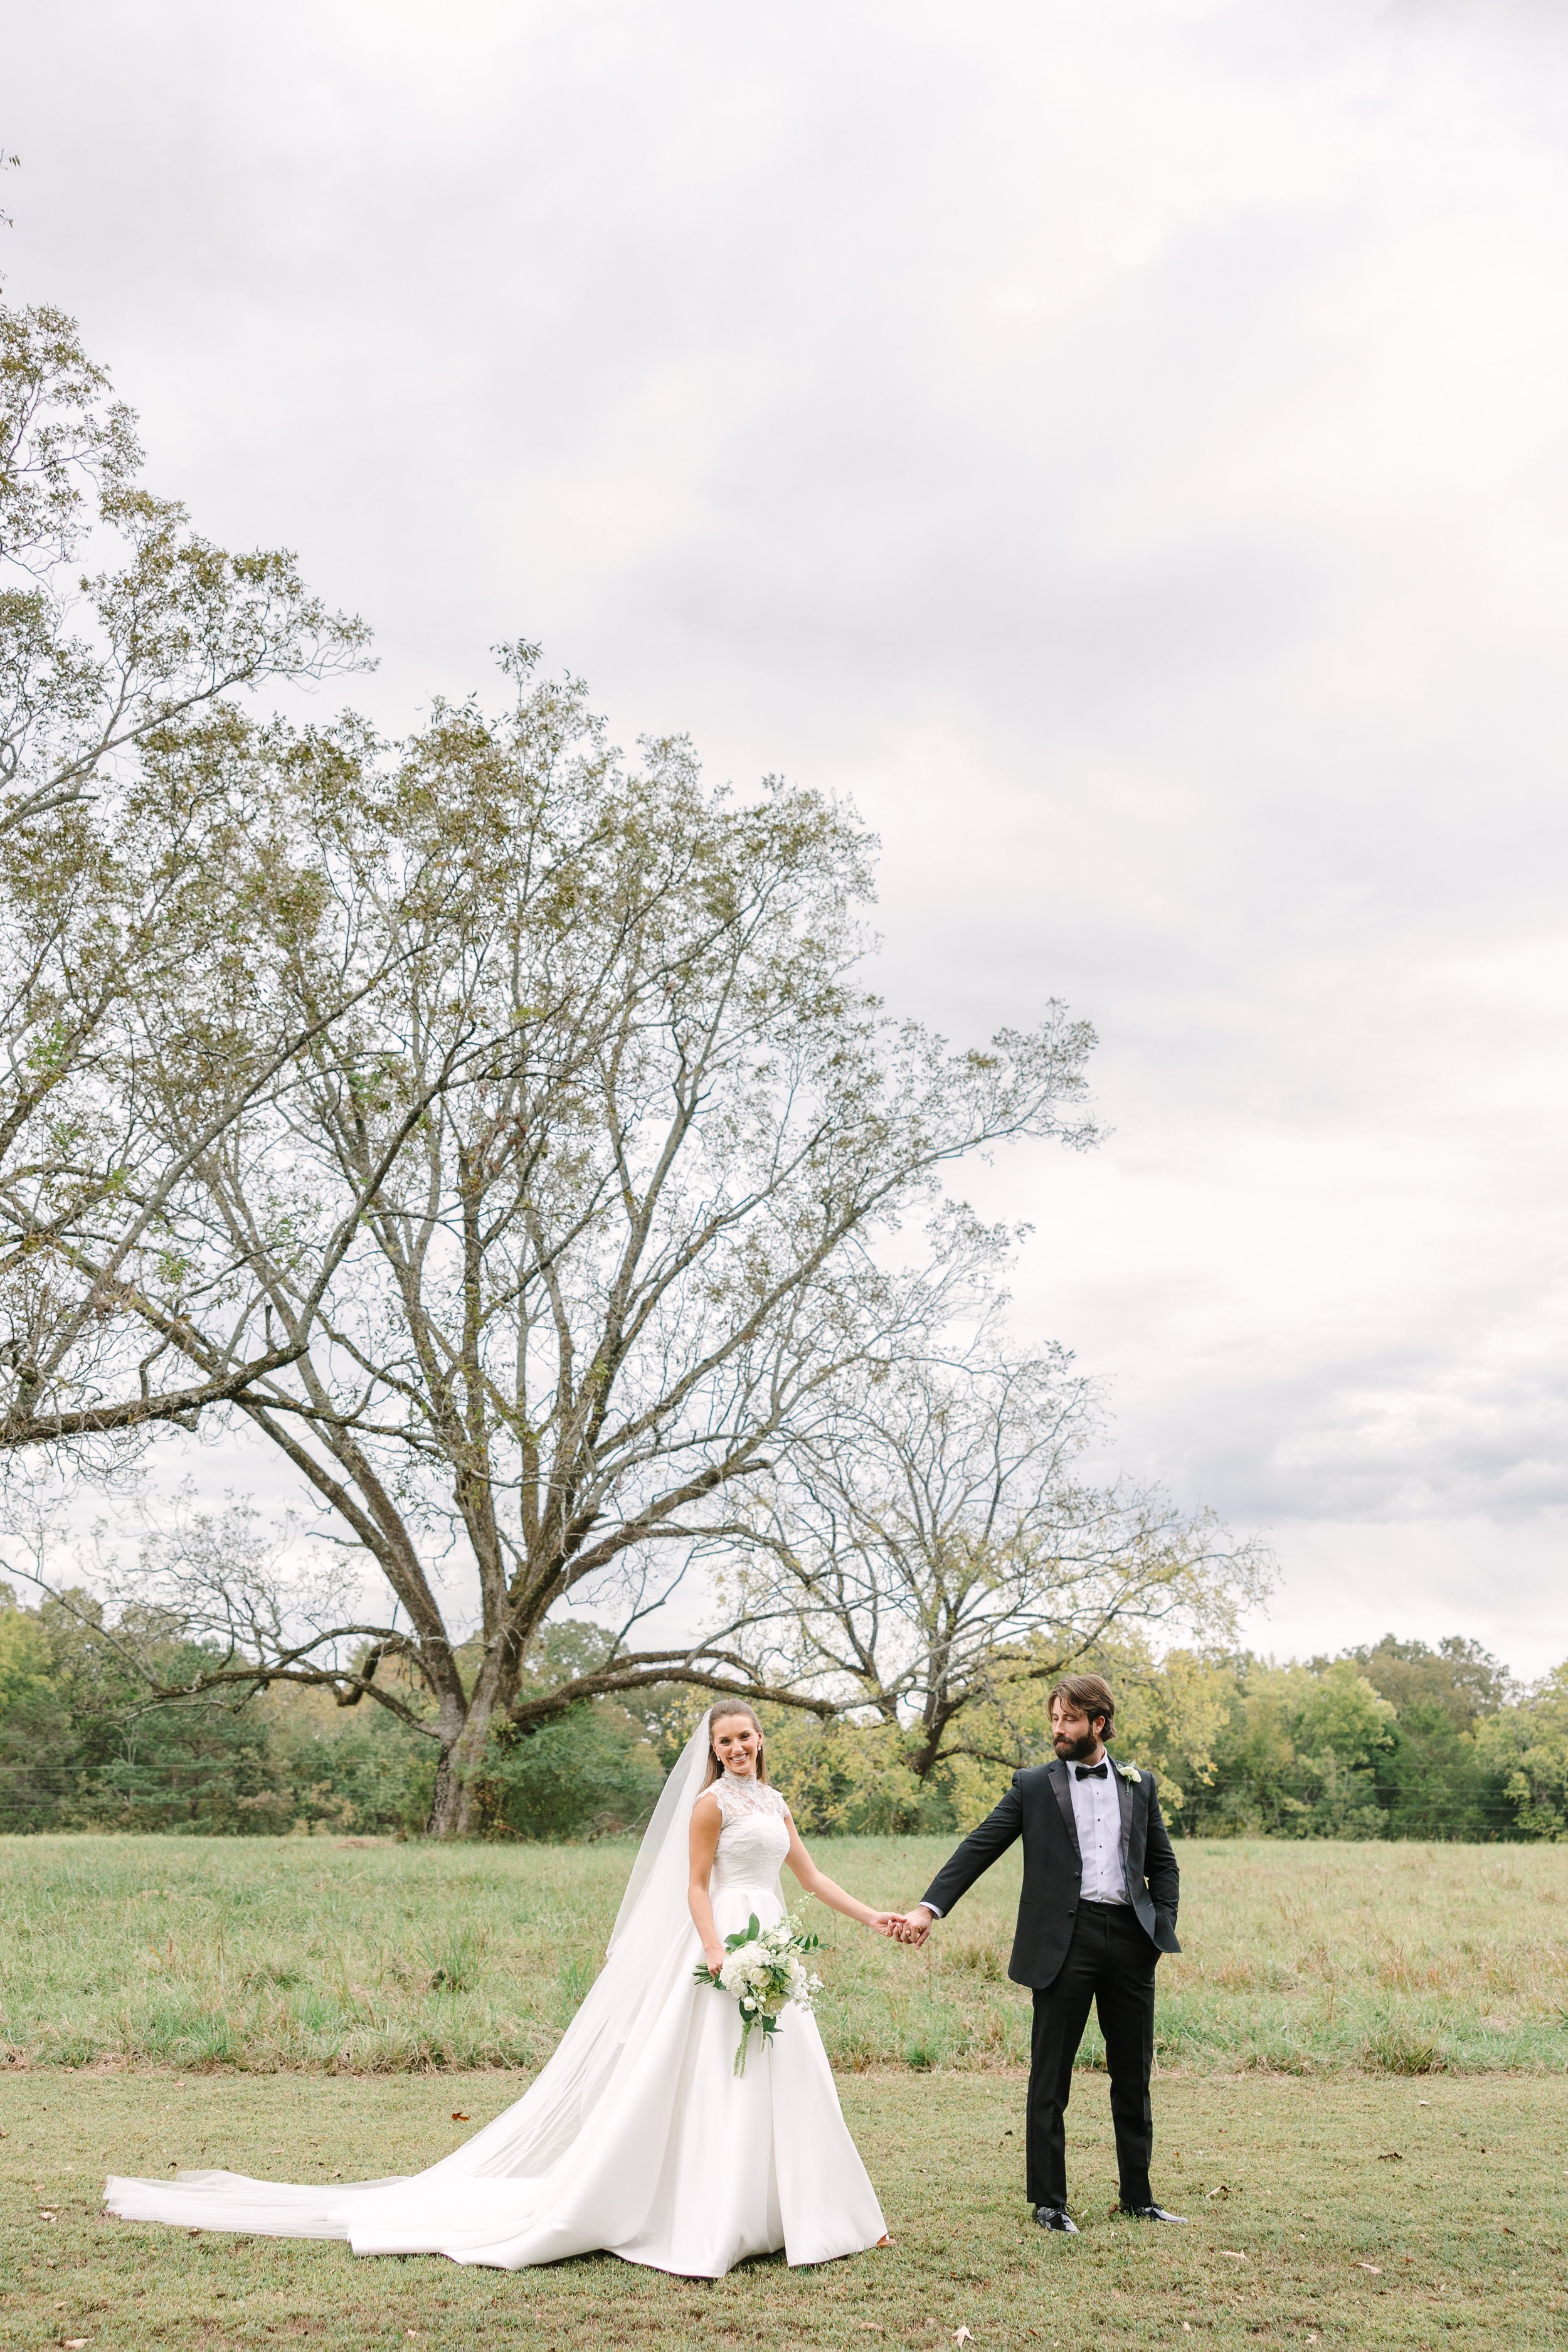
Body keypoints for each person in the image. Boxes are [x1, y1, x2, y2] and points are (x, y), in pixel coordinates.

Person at [105, 1703, 898, 2277]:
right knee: (715, 2078)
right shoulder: (709, 1804)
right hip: (726, 1945)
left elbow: (814, 1877)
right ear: (713, 1748)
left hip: (776, 1944)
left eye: (744, 1737)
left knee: (792, 2073)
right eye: (723, 1740)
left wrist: (876, 1917)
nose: (734, 1748)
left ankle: (823, 2217)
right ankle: (712, 2215)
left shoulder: (774, 1802)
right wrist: (717, 1951)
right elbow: (694, 1886)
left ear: (762, 1740)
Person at [893, 1673, 1185, 2234]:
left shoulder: (1138, 1783)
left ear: (1098, 1724)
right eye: (1053, 1719)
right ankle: (1050, 2203)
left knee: (1133, 2075)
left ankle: (1139, 2198)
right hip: (1063, 1944)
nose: (1058, 1729)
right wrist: (929, 1908)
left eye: (1069, 1720)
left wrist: (1159, 1924)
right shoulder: (1032, 1786)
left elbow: (1163, 1863)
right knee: (1050, 2078)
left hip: (1129, 1940)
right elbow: (979, 1846)